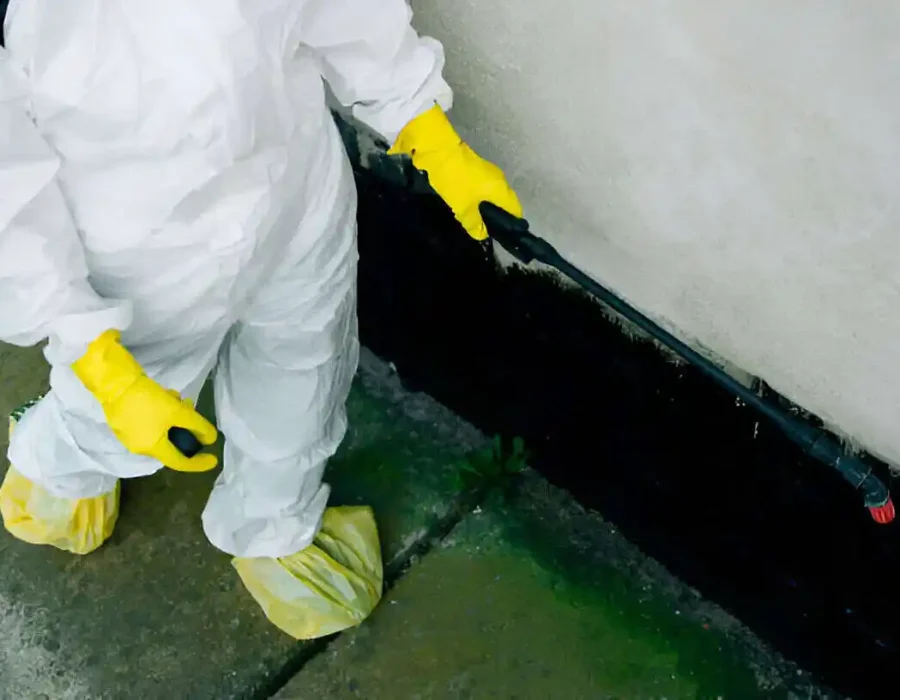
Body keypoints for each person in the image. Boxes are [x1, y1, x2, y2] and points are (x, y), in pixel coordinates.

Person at [0, 0, 522, 640]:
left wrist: (426, 128)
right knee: (118, 414)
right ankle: (62, 470)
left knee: (304, 369)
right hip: (141, 268)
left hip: (294, 195)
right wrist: (91, 351)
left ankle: (273, 522)